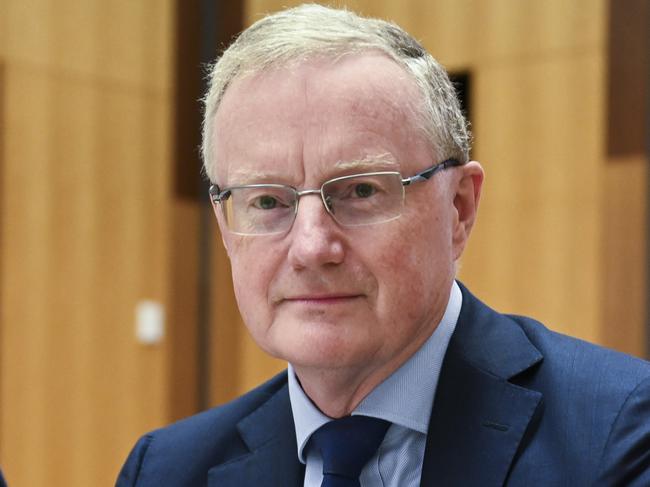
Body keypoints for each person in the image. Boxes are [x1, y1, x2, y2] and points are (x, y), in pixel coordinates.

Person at [117, 4, 650, 486]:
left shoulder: (617, 435)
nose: (310, 247)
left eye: (361, 191)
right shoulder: (166, 470)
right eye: (267, 202)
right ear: (224, 226)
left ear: (459, 208)